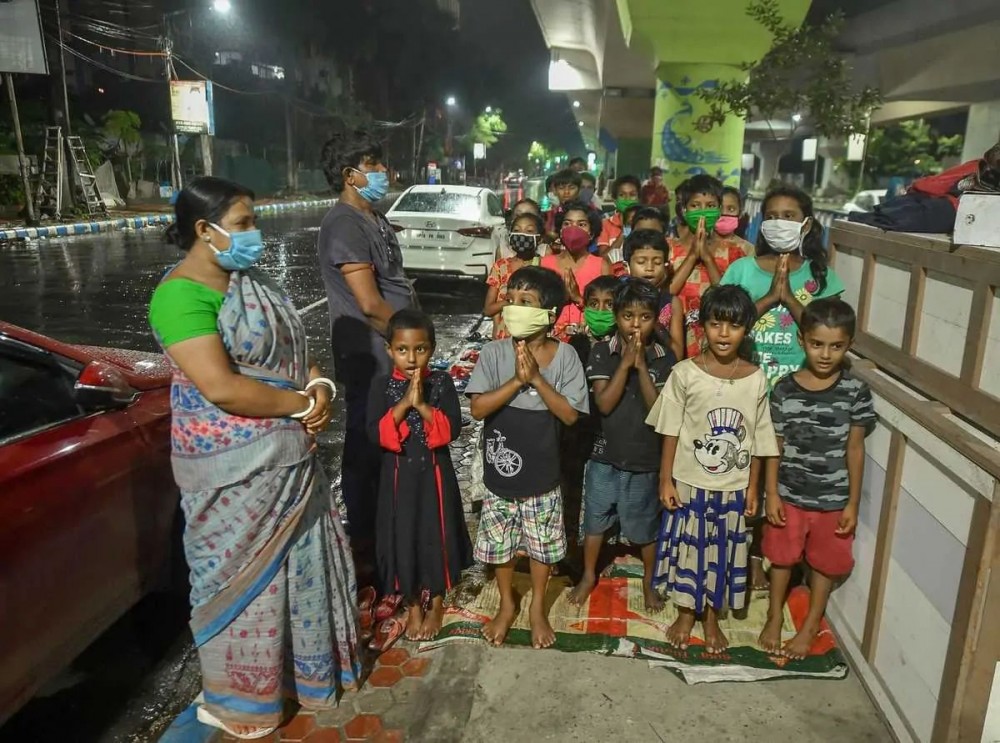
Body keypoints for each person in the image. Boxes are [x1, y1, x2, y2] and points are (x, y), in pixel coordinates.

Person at [148, 177, 360, 739]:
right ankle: (242, 697)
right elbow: (219, 388)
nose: (255, 234)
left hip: (289, 460)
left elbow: (296, 356)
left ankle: (297, 679)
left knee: (297, 573)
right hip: (232, 474)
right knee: (239, 586)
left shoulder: (254, 282)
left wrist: (318, 391)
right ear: (204, 230)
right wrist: (298, 404)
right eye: (243, 223)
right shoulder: (179, 295)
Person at [646, 284, 779, 654]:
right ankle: (687, 613)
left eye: (733, 326)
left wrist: (754, 489)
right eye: (716, 323)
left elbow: (758, 439)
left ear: (746, 330)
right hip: (689, 482)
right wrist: (665, 479)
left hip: (733, 487)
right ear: (701, 325)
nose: (724, 333)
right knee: (690, 550)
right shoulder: (685, 373)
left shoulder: (755, 377)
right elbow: (670, 429)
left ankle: (710, 618)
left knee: (723, 551)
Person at [466, 266, 590, 649]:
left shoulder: (565, 357)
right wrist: (517, 381)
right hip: (500, 476)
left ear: (549, 314)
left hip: (544, 474)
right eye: (511, 300)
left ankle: (537, 607)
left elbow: (570, 414)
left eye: (526, 302)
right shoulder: (493, 352)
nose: (514, 308)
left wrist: (536, 379)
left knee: (542, 547)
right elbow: (478, 409)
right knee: (499, 546)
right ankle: (507, 603)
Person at [317, 131, 417, 550]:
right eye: (372, 165)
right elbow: (371, 304)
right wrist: (414, 344)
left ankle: (384, 531)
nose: (382, 172)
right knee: (368, 446)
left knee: (389, 443)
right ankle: (364, 545)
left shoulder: (372, 216)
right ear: (349, 174)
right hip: (372, 356)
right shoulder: (344, 222)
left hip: (390, 352)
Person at [758, 298, 875, 659]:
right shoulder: (783, 390)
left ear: (849, 344)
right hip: (789, 495)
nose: (826, 354)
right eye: (817, 344)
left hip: (832, 499)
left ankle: (811, 623)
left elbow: (855, 450)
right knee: (781, 558)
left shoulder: (855, 392)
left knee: (825, 562)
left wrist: (853, 503)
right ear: (800, 339)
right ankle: (774, 614)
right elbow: (773, 447)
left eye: (836, 346)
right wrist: (771, 494)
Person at [367, 309, 473, 642]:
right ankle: (413, 605)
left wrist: (422, 404)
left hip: (435, 475)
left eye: (420, 349)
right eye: (402, 350)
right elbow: (376, 433)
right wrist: (404, 405)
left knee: (436, 535)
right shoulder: (381, 386)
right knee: (404, 536)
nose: (412, 358)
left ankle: (437, 602)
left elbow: (451, 428)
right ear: (389, 350)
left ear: (432, 348)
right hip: (398, 478)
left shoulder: (440, 383)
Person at [571, 279, 676, 611]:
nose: (635, 324)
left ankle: (649, 581)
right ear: (617, 316)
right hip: (604, 455)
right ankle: (589, 574)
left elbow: (658, 411)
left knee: (643, 524)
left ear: (656, 318)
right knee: (596, 517)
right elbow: (603, 403)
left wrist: (641, 368)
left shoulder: (663, 356)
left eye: (644, 317)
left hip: (645, 457)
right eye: (628, 315)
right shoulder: (603, 351)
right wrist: (625, 365)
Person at [721, 184, 845, 391]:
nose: (779, 223)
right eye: (771, 217)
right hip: (744, 386)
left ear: (806, 225)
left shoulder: (822, 277)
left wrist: (789, 299)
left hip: (800, 391)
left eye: (788, 216)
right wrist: (770, 298)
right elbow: (724, 324)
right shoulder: (740, 270)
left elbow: (828, 335)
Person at [668, 175, 754, 359]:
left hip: (720, 343)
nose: (702, 211)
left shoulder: (738, 252)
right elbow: (666, 292)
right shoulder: (667, 248)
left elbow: (728, 298)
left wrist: (707, 258)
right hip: (675, 342)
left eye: (710, 206)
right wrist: (692, 256)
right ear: (683, 209)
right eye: (695, 205)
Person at [541, 201, 612, 340]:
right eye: (567, 224)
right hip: (551, 341)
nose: (573, 229)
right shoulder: (545, 264)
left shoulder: (601, 265)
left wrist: (577, 298)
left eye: (581, 224)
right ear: (560, 230)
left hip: (591, 339)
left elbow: (609, 311)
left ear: (591, 233)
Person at [624, 230, 685, 361]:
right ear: (627, 265)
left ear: (665, 265)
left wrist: (654, 323)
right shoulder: (619, 298)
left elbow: (678, 354)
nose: (649, 268)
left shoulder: (672, 303)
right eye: (641, 262)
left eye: (657, 263)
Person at [485, 211, 545, 339]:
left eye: (529, 231)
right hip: (504, 338)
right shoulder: (500, 267)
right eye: (517, 230)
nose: (522, 235)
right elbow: (488, 309)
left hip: (533, 337)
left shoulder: (544, 266)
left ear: (539, 238)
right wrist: (512, 301)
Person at [597, 175, 642, 252]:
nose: (627, 199)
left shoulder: (648, 222)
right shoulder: (605, 224)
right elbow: (603, 258)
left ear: (639, 198)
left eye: (632, 195)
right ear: (614, 199)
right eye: (622, 195)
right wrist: (624, 233)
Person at [582, 275, 621, 343]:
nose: (600, 310)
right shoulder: (577, 342)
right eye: (593, 304)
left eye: (610, 305)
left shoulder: (625, 345)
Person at [545, 169, 583, 233]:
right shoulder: (548, 215)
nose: (566, 192)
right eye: (561, 188)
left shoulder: (586, 214)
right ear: (554, 190)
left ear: (579, 190)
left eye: (571, 188)